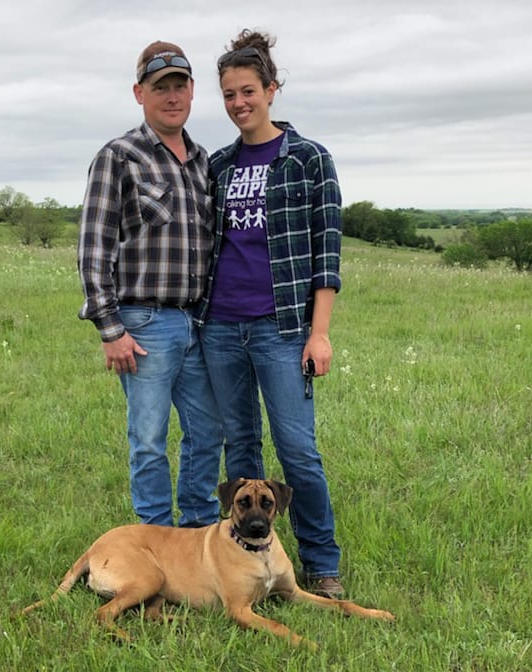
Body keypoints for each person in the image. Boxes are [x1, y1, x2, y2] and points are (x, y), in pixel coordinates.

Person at [195, 29, 344, 598]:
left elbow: (326, 253)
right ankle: (246, 565)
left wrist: (318, 333)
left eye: (248, 91)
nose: (239, 103)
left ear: (272, 89)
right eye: (229, 94)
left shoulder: (309, 159)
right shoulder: (220, 165)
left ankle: (321, 563)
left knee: (298, 452)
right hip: (221, 327)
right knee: (240, 451)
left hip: (281, 329)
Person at [78, 40, 222, 528]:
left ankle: (198, 528)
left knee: (207, 431)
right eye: (161, 87)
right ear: (140, 93)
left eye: (180, 85)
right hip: (143, 324)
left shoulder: (203, 162)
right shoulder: (119, 156)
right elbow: (94, 246)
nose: (172, 96)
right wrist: (110, 329)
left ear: (193, 90)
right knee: (149, 440)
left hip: (196, 322)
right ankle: (154, 536)